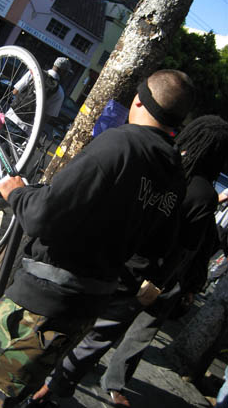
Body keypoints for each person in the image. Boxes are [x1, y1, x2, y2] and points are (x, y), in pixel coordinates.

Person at [0, 69, 195, 407]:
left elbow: (42, 216)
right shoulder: (173, 174)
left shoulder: (120, 143)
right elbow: (156, 250)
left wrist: (18, 193)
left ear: (139, 99)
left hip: (42, 300)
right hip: (87, 307)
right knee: (15, 388)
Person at [41, 115, 228, 408]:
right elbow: (187, 248)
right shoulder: (203, 194)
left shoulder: (159, 162)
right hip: (141, 276)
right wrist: (161, 282)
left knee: (68, 322)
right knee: (98, 337)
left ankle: (33, 375)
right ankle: (55, 389)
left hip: (105, 255)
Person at [6, 56, 72, 136]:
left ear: (54, 65)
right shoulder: (59, 92)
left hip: (11, 115)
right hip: (25, 128)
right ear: (64, 72)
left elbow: (15, 91)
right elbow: (47, 117)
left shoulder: (35, 73)